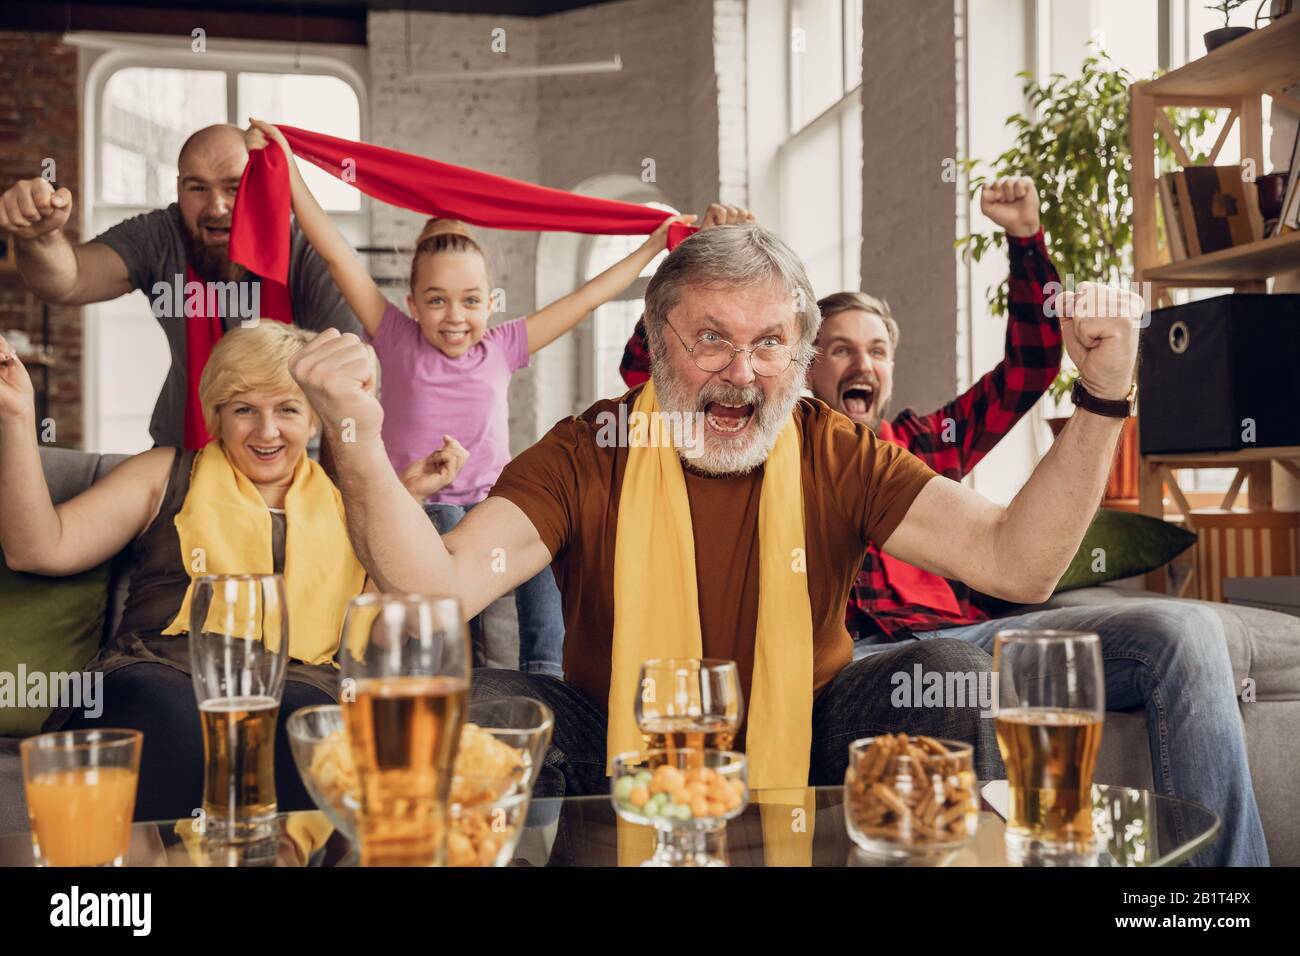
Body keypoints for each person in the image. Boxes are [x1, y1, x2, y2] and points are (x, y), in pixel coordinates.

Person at [288, 223, 1142, 803]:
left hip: (806, 726)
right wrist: (357, 437)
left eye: (770, 342)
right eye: (711, 339)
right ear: (658, 343)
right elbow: (436, 590)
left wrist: (1103, 399)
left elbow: (1014, 562)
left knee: (951, 668)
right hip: (614, 735)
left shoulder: (832, 448)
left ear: (798, 351)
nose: (743, 372)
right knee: (470, 710)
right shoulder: (595, 445)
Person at [797, 177, 1266, 866]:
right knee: (947, 668)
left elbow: (1029, 369)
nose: (861, 362)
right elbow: (651, 382)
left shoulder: (928, 440)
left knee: (1186, 629)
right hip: (867, 655)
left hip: (985, 635)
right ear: (808, 366)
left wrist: (1025, 238)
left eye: (876, 349)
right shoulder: (790, 452)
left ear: (891, 370)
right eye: (840, 348)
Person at [244, 118, 752, 678]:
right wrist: (288, 167)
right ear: (413, 304)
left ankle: (546, 671)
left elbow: (585, 299)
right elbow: (337, 255)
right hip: (418, 509)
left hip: (493, 506)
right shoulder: (393, 336)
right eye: (436, 301)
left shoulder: (503, 346)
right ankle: (440, 676)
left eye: (469, 301)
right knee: (440, 569)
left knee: (546, 543)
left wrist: (654, 246)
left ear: (491, 304)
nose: (454, 316)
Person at [0, 322, 386, 821]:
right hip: (163, 671)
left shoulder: (353, 502)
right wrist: (16, 416)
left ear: (315, 420)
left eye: (288, 409)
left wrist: (397, 497)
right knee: (163, 709)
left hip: (300, 680)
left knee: (310, 725)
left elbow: (384, 627)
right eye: (245, 409)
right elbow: (38, 548)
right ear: (217, 415)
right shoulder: (165, 472)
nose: (266, 431)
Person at [0, 124, 360, 449]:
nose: (216, 206)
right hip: (185, 454)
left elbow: (348, 381)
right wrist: (40, 239)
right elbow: (70, 280)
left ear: (261, 184)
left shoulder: (307, 251)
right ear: (178, 188)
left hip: (291, 459)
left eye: (233, 187)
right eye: (198, 188)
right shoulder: (162, 235)